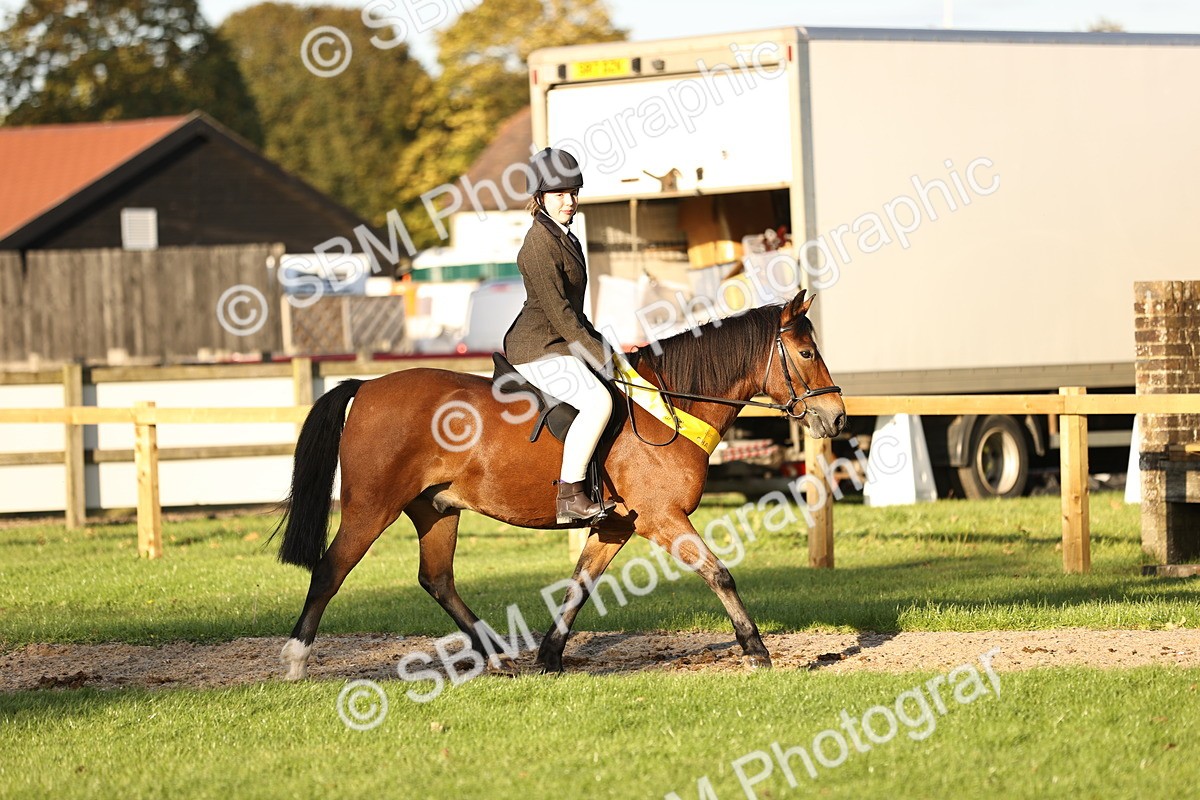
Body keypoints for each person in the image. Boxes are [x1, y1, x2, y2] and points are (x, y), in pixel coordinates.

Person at [503, 147, 616, 524]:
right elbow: (562, 315)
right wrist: (600, 356)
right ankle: (570, 495)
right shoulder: (538, 245)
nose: (569, 201)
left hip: (559, 341)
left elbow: (576, 314)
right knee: (599, 403)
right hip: (536, 348)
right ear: (539, 199)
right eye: (559, 195)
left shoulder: (567, 238)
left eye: (573, 192)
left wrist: (607, 347)